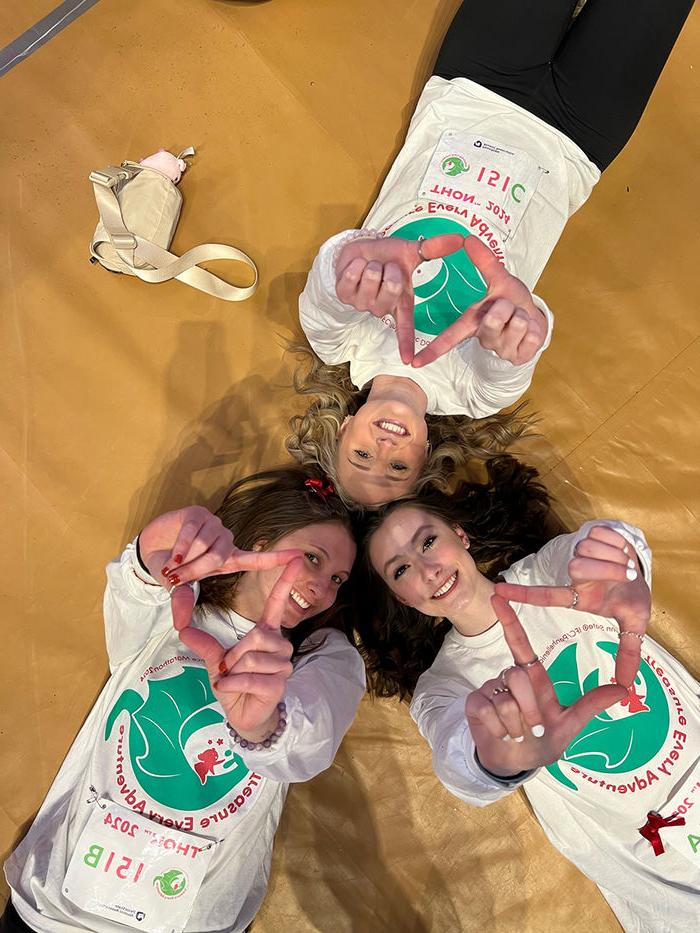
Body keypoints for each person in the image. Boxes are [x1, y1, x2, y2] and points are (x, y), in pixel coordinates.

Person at [288, 0, 693, 507]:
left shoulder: (340, 342)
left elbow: (330, 275)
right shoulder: (474, 394)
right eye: (396, 466)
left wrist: (362, 260)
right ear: (426, 456)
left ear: (345, 428)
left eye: (361, 456)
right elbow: (522, 344)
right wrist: (520, 315)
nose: (384, 445)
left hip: (473, 89)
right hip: (576, 139)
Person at [3, 469, 365, 933]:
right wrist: (153, 553)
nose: (323, 586)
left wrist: (262, 726)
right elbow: (137, 584)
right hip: (51, 910)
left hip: (193, 920)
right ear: (256, 541)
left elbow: (310, 738)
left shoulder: (320, 657)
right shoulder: (173, 610)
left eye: (338, 577)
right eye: (311, 558)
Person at [359, 474, 700, 929]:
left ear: (460, 536)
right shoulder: (445, 685)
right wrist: (495, 763)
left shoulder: (545, 574)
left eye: (428, 542)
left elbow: (599, 546)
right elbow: (456, 758)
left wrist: (624, 558)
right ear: (400, 596)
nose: (426, 571)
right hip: (663, 876)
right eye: (400, 570)